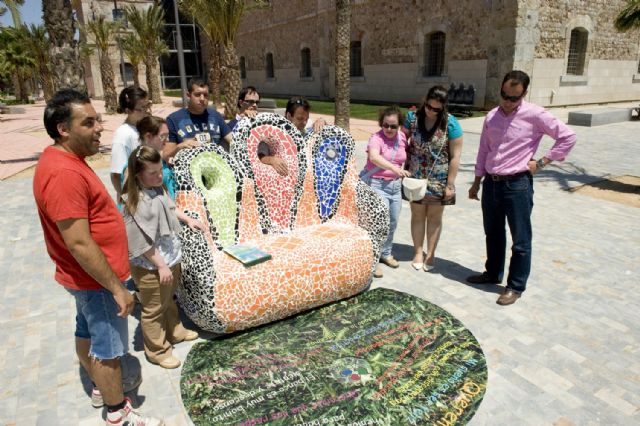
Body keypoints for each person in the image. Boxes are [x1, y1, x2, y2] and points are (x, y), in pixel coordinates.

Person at [33, 89, 163, 426]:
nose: (99, 128)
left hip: (85, 280)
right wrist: (117, 289)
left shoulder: (63, 161)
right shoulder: (64, 173)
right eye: (88, 122)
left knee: (87, 332)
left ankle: (97, 386)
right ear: (64, 129)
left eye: (97, 120)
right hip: (97, 282)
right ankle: (117, 413)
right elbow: (78, 242)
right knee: (109, 348)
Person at [467, 70, 577, 306]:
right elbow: (484, 149)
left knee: (521, 240)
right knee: (493, 234)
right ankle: (492, 273)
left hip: (517, 185)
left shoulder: (535, 115)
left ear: (524, 94)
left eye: (513, 98)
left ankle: (515, 286)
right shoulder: (492, 116)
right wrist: (477, 181)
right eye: (504, 95)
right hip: (492, 184)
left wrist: (543, 162)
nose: (507, 102)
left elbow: (567, 136)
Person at [122, 146, 203, 369]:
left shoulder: (156, 188)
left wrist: (187, 219)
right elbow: (141, 243)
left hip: (170, 257)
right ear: (137, 174)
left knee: (169, 299)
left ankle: (175, 330)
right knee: (153, 308)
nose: (160, 176)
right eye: (153, 173)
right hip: (151, 266)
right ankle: (157, 350)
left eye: (160, 170)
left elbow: (170, 207)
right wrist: (161, 266)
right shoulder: (134, 202)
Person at [404, 86, 463, 272]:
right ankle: (418, 252)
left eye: (436, 109)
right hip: (414, 177)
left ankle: (431, 253)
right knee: (417, 215)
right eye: (429, 106)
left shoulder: (451, 124)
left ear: (443, 108)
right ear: (425, 101)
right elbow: (398, 142)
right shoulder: (412, 118)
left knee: (435, 217)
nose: (431, 111)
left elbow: (455, 156)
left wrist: (450, 185)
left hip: (439, 179)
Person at [361, 106, 411, 278]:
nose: (389, 129)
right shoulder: (376, 138)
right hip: (377, 185)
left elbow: (403, 158)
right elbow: (374, 157)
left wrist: (401, 173)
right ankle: (372, 260)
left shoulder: (402, 137)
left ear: (399, 126)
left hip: (395, 187)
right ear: (381, 124)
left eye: (393, 126)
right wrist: (393, 168)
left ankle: (386, 253)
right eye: (385, 125)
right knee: (377, 224)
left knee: (393, 222)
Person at [164, 78, 232, 158]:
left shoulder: (216, 116)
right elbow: (166, 155)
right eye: (197, 94)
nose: (202, 99)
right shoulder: (173, 119)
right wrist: (180, 147)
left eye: (205, 95)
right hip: (187, 167)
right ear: (188, 95)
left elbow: (233, 141)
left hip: (214, 164)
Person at [110, 86, 151, 204]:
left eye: (147, 105)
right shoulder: (123, 134)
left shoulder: (144, 127)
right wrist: (128, 200)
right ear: (128, 111)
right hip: (136, 201)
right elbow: (116, 175)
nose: (147, 110)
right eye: (142, 108)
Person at [136, 116, 176, 199]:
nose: (167, 140)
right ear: (148, 136)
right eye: (163, 136)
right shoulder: (137, 162)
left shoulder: (160, 158)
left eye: (167, 135)